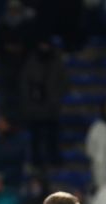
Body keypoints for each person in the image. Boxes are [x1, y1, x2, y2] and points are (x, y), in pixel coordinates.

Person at [20, 40, 68, 168]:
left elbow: (64, 83)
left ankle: (54, 160)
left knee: (53, 137)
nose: (44, 47)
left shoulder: (56, 62)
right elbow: (24, 84)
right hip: (35, 108)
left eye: (46, 44)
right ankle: (37, 162)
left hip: (52, 108)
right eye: (42, 44)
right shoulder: (31, 62)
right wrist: (30, 98)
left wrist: (55, 98)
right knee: (35, 138)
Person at [0, 115, 28, 188]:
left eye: (1, 123)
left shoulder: (18, 141)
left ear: (8, 124)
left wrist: (1, 176)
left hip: (13, 179)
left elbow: (14, 161)